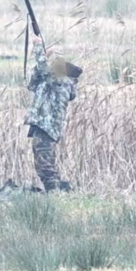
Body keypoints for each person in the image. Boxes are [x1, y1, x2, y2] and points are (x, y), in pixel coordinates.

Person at [24, 36, 82, 192]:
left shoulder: (62, 82)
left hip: (47, 128)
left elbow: (45, 70)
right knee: (41, 163)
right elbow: (33, 83)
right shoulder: (52, 82)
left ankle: (55, 193)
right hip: (41, 125)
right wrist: (43, 57)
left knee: (45, 164)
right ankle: (54, 192)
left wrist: (38, 49)